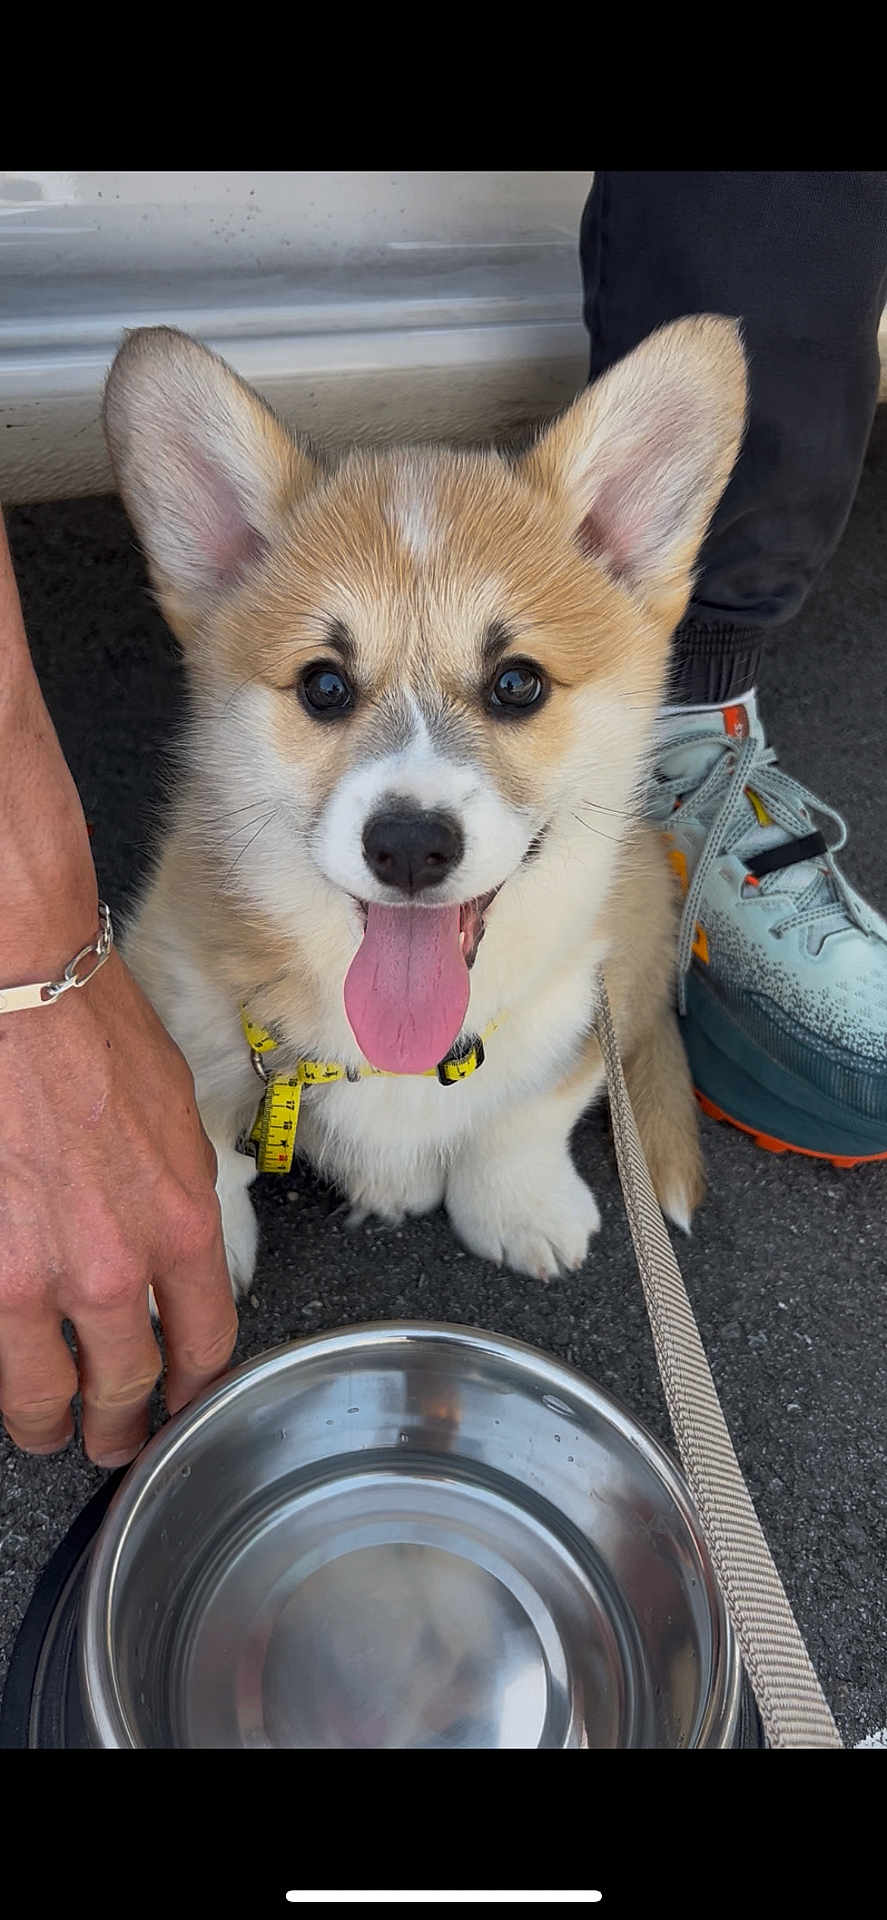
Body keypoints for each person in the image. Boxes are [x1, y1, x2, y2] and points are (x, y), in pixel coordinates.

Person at [1, 170, 885, 1465]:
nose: (412, 801)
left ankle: (523, 1133)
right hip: (254, 997)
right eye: (325, 685)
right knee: (198, 1046)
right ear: (218, 559)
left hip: (541, 992)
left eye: (514, 684)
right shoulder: (189, 939)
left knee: (607, 944)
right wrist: (205, 1157)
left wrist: (517, 1150)